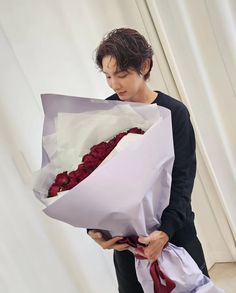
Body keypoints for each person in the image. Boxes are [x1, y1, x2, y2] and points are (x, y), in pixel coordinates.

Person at [88, 28, 209, 292]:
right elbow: (93, 178)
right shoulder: (107, 113)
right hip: (127, 242)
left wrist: (165, 231)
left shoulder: (174, 113)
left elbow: (182, 179)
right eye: (108, 76)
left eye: (122, 75)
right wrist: (94, 228)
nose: (114, 84)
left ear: (144, 66)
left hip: (175, 233)